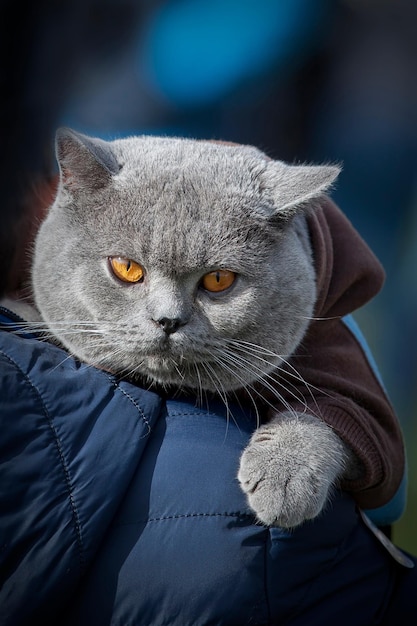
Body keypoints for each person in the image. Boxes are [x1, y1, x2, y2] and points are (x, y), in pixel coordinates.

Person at [1, 2, 416, 624]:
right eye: (130, 273)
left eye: (217, 281)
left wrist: (311, 441)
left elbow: (374, 446)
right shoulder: (49, 215)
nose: (166, 313)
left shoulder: (314, 328)